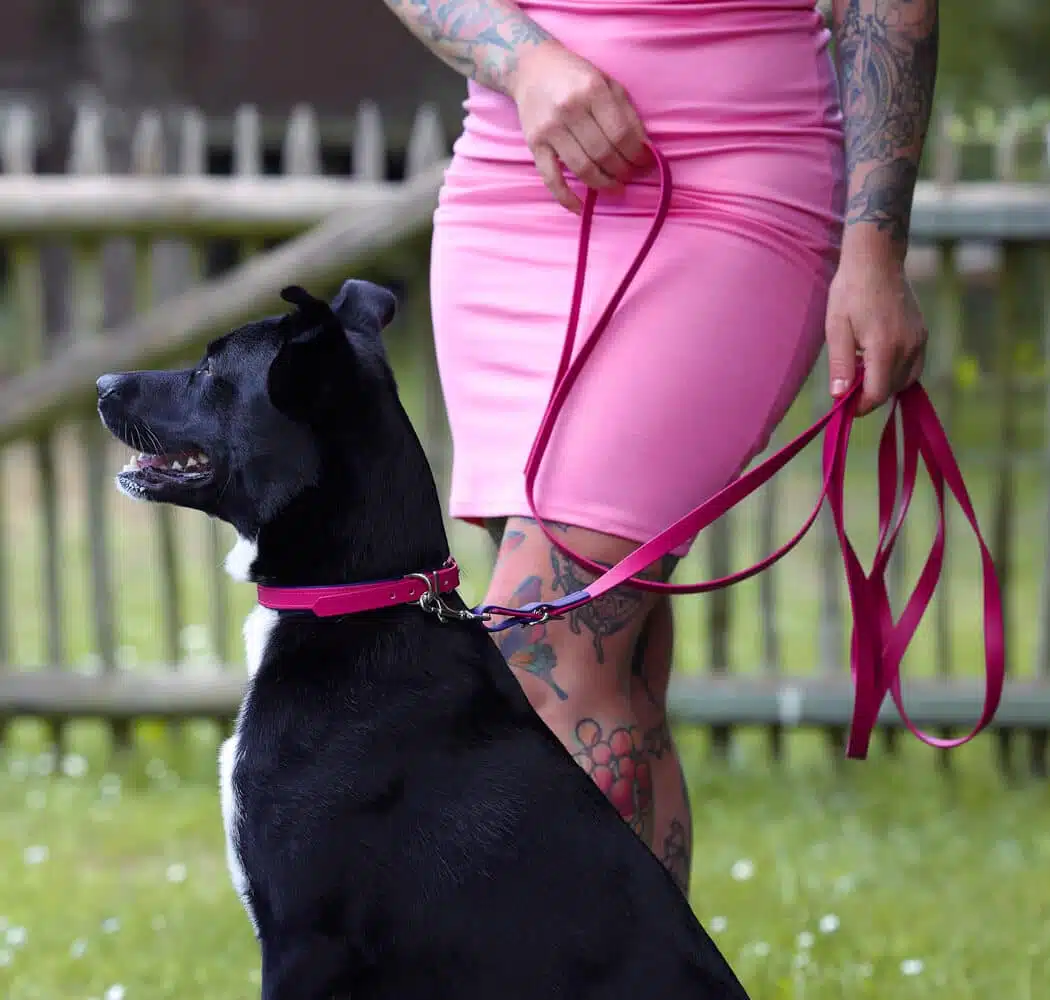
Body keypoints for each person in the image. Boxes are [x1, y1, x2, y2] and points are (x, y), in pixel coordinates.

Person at [383, 0, 934, 895]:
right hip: (515, 184)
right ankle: (647, 961)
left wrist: (875, 252)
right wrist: (524, 59)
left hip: (729, 182)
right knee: (611, 673)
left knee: (544, 654)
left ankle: (535, 959)